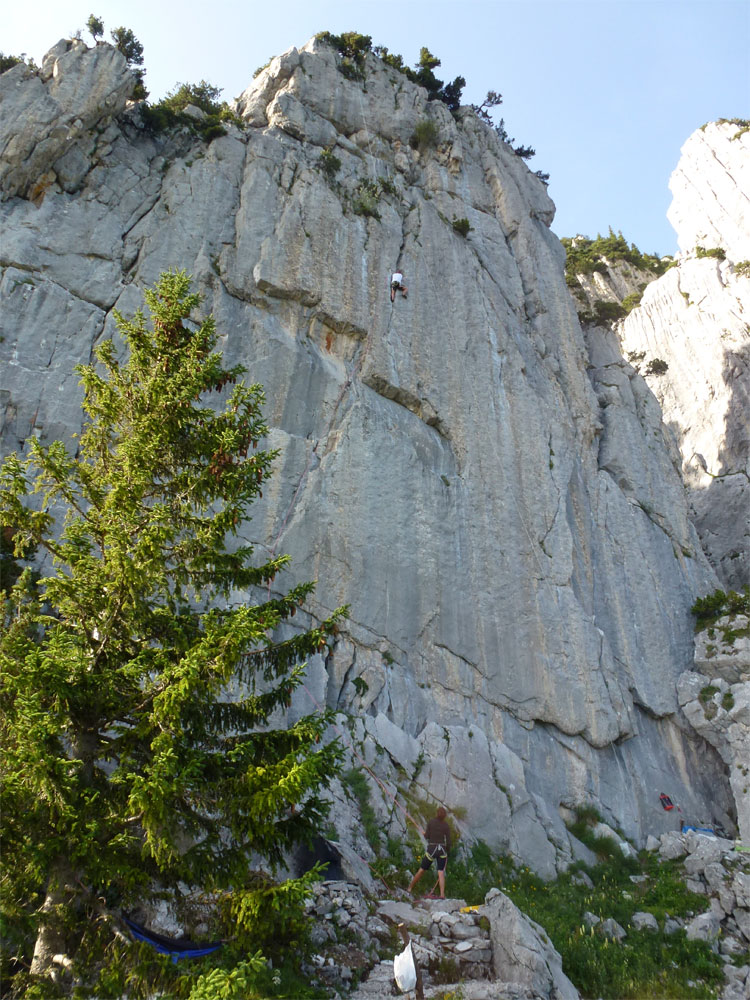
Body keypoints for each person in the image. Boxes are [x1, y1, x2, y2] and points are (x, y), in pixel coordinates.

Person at [408, 806, 452, 899]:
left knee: (422, 870)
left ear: (437, 813)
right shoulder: (446, 825)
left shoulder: (431, 822)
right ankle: (442, 895)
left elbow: (427, 836)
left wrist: (424, 834)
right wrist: (448, 851)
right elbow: (448, 841)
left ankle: (409, 888)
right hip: (442, 850)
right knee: (440, 872)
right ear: (444, 816)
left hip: (432, 849)